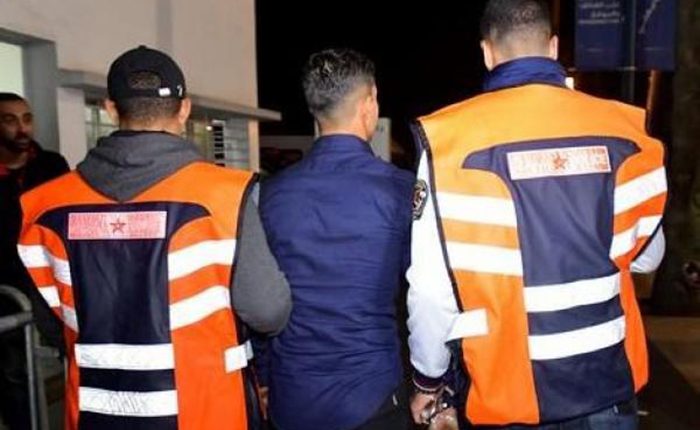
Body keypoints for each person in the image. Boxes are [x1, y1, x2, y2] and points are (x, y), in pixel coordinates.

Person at [406, 1, 667, 429]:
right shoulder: (624, 130)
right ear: (554, 47)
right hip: (607, 385)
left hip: (510, 393)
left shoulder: (449, 143)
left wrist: (428, 380)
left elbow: (432, 292)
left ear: (487, 52)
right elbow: (648, 257)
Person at [16, 46, 291, 430]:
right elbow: (268, 312)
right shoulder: (225, 197)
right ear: (184, 109)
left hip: (96, 414)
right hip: (208, 411)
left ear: (111, 109)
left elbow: (51, 325)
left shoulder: (45, 205)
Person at [258, 48, 414, 430]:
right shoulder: (399, 190)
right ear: (369, 103)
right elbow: (425, 296)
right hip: (372, 393)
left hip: (293, 395)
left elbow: (258, 301)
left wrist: (263, 375)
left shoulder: (271, 194)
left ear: (315, 109)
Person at [0, 92, 69, 430]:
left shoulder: (51, 166)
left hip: (53, 281)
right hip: (8, 288)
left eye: (27, 119)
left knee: (67, 354)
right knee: (15, 372)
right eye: (10, 120)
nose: (22, 128)